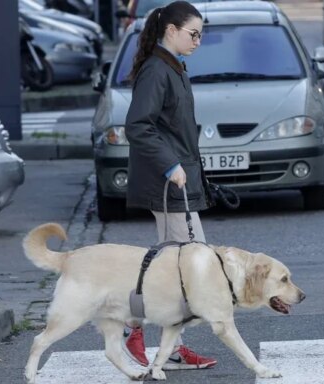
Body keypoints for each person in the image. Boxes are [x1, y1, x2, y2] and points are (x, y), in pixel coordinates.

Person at [123, 1, 216, 370]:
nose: (198, 41)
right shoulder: (157, 70)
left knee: (178, 268)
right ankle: (134, 330)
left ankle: (165, 344)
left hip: (179, 182)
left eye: (201, 35)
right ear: (171, 30)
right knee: (190, 267)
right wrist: (171, 165)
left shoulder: (173, 67)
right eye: (193, 34)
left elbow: (169, 129)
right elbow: (138, 126)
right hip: (168, 184)